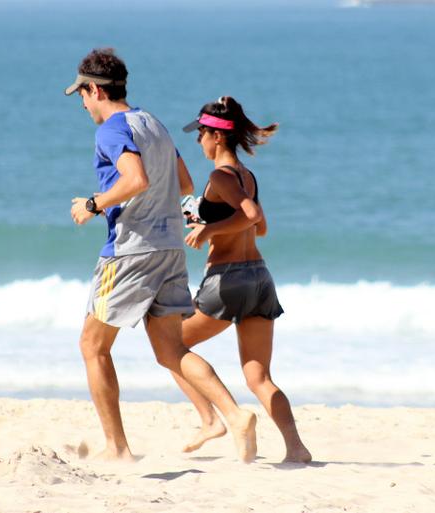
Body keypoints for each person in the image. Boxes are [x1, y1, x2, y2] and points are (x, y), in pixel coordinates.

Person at [64, 49, 257, 462]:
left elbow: (136, 178)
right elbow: (184, 180)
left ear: (95, 89)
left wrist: (94, 204)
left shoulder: (111, 130)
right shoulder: (153, 123)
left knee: (92, 346)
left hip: (130, 252)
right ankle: (235, 415)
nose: (82, 103)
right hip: (169, 250)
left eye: (82, 94)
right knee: (171, 351)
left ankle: (116, 448)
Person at [173, 96, 313, 463]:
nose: (198, 141)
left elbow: (250, 216)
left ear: (216, 137)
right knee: (259, 378)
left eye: (200, 134)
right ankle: (296, 448)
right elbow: (261, 226)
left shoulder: (220, 176)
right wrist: (211, 224)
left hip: (228, 279)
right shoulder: (246, 177)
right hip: (260, 279)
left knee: (170, 346)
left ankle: (216, 420)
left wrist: (209, 232)